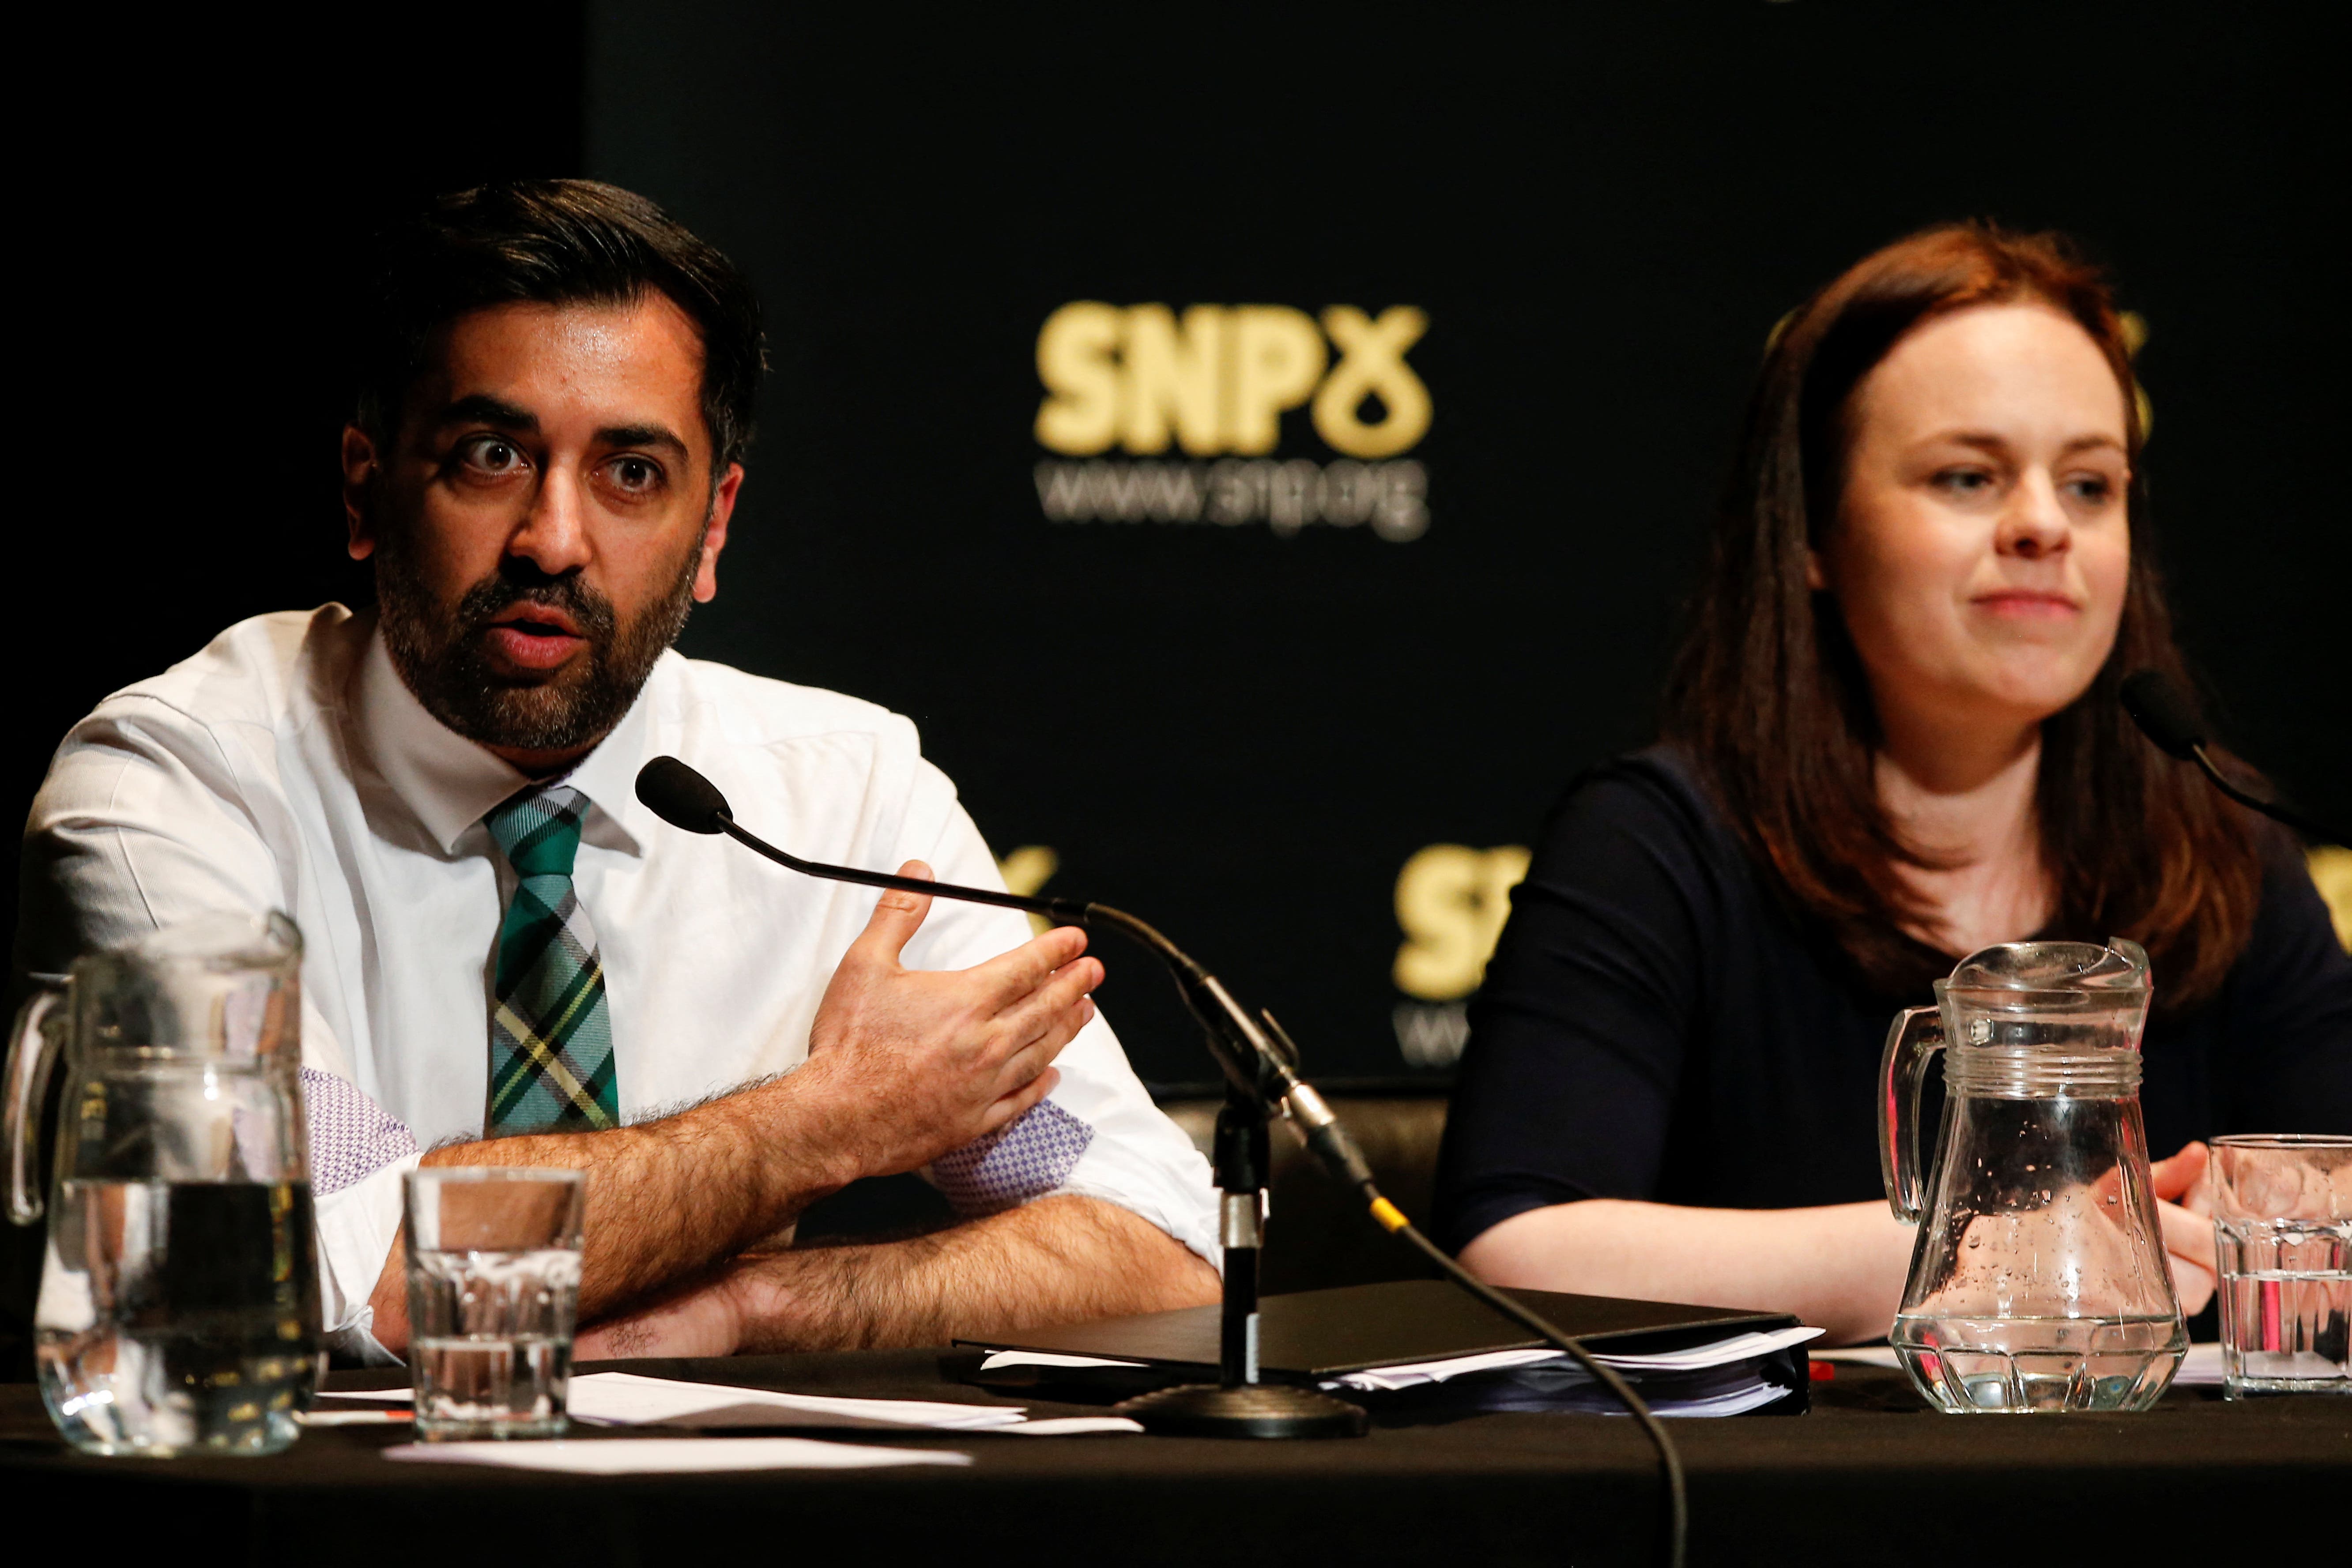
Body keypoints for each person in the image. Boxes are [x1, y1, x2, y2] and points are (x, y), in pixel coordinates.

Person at [16, 181, 1219, 1363]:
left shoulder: (844, 798)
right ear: (364, 488)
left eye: (632, 472)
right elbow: (339, 1265)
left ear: (714, 532)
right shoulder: (174, 789)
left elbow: (1164, 1247)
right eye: (492, 454)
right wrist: (820, 1125)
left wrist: (762, 1309)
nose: (554, 539)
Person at [1433, 224, 2352, 1344]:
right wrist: (1992, 1249)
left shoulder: (2220, 845)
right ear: (1816, 532)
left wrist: (2288, 1213)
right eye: (1968, 477)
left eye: (2090, 484)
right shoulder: (1658, 844)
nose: (2042, 526)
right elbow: (1516, 1252)